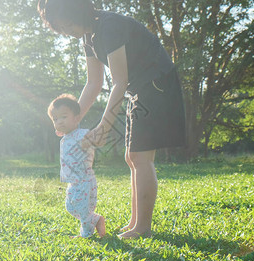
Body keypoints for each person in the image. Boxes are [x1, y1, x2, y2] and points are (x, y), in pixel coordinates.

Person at [39, 0, 186, 238]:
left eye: (67, 25)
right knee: (132, 157)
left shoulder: (109, 27)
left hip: (157, 84)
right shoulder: (89, 36)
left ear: (78, 12)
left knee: (139, 157)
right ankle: (135, 222)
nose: (67, 33)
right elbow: (93, 84)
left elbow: (120, 81)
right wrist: (71, 120)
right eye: (61, 29)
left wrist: (103, 127)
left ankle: (143, 228)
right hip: (138, 89)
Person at [47, 94, 106, 238]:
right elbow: (59, 131)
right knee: (70, 206)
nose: (59, 121)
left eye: (64, 117)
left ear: (76, 117)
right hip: (72, 181)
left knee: (82, 207)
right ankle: (95, 219)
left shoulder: (82, 134)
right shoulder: (65, 136)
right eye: (55, 119)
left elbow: (96, 139)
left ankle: (87, 233)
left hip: (84, 179)